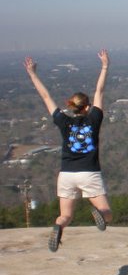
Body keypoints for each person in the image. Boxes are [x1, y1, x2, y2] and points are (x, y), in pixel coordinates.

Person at [23, 50, 113, 252]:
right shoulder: (94, 119)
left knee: (66, 216)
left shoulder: (64, 122)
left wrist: (33, 74)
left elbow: (46, 96)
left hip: (66, 174)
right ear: (87, 107)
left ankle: (59, 226)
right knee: (107, 212)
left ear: (72, 107)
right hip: (89, 172)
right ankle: (99, 213)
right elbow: (100, 91)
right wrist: (105, 66)